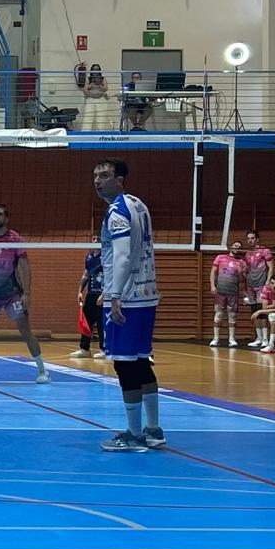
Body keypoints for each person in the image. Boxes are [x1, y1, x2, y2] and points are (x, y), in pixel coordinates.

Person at [94, 157, 165, 452]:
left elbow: (122, 255)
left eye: (105, 175)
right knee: (140, 362)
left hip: (129, 299)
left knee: (125, 366)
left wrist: (115, 295)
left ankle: (134, 435)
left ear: (120, 178)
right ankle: (153, 428)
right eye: (95, 176)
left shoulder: (117, 212)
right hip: (146, 294)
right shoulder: (138, 204)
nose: (98, 181)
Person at [0, 204, 49, 383]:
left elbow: (24, 267)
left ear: (6, 218)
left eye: (0, 214)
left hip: (12, 294)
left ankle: (43, 371)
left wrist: (27, 293)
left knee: (26, 331)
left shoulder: (15, 239)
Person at [210, 240, 247, 348]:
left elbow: (242, 280)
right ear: (231, 247)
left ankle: (232, 339)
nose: (237, 248)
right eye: (235, 246)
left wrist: (240, 272)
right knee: (218, 315)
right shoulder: (220, 257)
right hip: (221, 291)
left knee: (232, 315)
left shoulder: (242, 262)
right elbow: (213, 272)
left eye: (239, 247)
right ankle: (215, 339)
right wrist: (213, 286)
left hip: (233, 292)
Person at [72, 249, 107, 359]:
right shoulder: (89, 256)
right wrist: (80, 291)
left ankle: (104, 349)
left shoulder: (107, 255)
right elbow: (85, 275)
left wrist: (104, 294)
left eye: (98, 239)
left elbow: (111, 276)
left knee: (101, 323)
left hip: (102, 294)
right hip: (91, 294)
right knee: (87, 322)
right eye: (94, 239)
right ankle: (85, 348)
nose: (95, 241)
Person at [243, 230, 275, 348]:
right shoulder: (247, 253)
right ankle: (259, 338)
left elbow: (271, 267)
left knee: (262, 311)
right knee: (254, 311)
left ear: (257, 239)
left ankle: (266, 339)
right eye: (248, 238)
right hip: (251, 286)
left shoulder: (264, 251)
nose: (250, 240)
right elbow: (247, 270)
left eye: (252, 238)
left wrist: (268, 281)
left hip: (261, 284)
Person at [251, 274, 275, 355]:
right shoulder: (266, 289)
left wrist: (260, 311)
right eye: (272, 283)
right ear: (269, 284)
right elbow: (265, 307)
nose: (274, 286)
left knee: (273, 315)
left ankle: (271, 344)